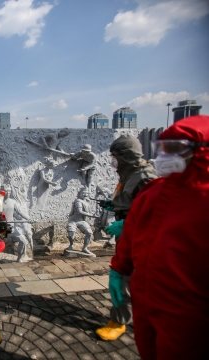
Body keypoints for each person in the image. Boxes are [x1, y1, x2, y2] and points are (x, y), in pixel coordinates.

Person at [109, 115, 209, 359]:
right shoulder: (155, 191)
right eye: (162, 148)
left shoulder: (147, 179)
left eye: (173, 149)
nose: (164, 156)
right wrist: (118, 267)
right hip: (150, 292)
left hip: (190, 309)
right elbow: (137, 224)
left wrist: (124, 223)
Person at [96, 135, 158, 341]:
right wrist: (113, 204)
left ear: (127, 156)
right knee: (123, 276)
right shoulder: (128, 173)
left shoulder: (145, 177)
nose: (113, 162)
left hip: (135, 234)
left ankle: (119, 321)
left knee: (124, 277)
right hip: (126, 232)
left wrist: (125, 224)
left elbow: (152, 213)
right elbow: (131, 200)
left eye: (115, 157)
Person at [65, 187, 97, 255]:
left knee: (89, 233)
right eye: (83, 193)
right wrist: (90, 215)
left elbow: (89, 211)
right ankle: (71, 245)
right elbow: (79, 211)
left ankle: (85, 248)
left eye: (87, 193)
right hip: (73, 220)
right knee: (71, 235)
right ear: (79, 193)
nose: (85, 194)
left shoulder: (86, 202)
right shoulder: (78, 201)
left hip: (81, 221)